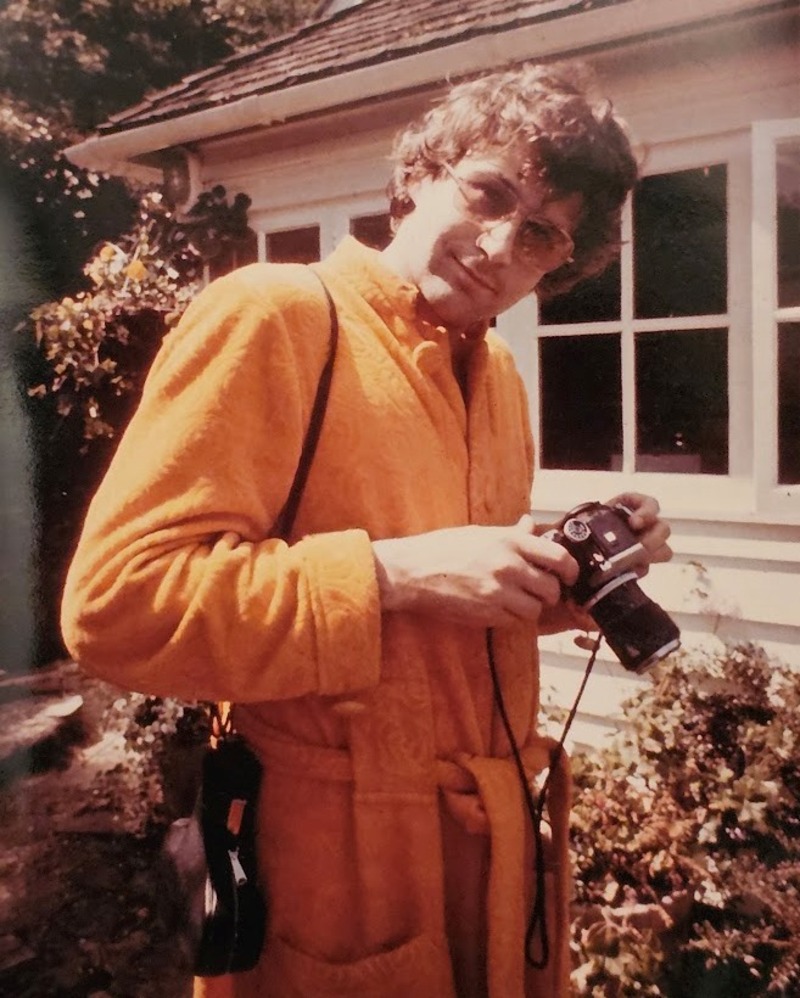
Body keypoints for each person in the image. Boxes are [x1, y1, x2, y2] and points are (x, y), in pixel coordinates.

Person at [61, 62, 672, 998]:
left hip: (486, 858)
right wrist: (388, 575)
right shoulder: (276, 314)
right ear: (419, 176)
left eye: (542, 233)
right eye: (488, 192)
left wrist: (552, 587)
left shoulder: (497, 375)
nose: (501, 241)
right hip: (333, 872)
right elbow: (117, 607)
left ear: (559, 263)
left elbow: (442, 608)